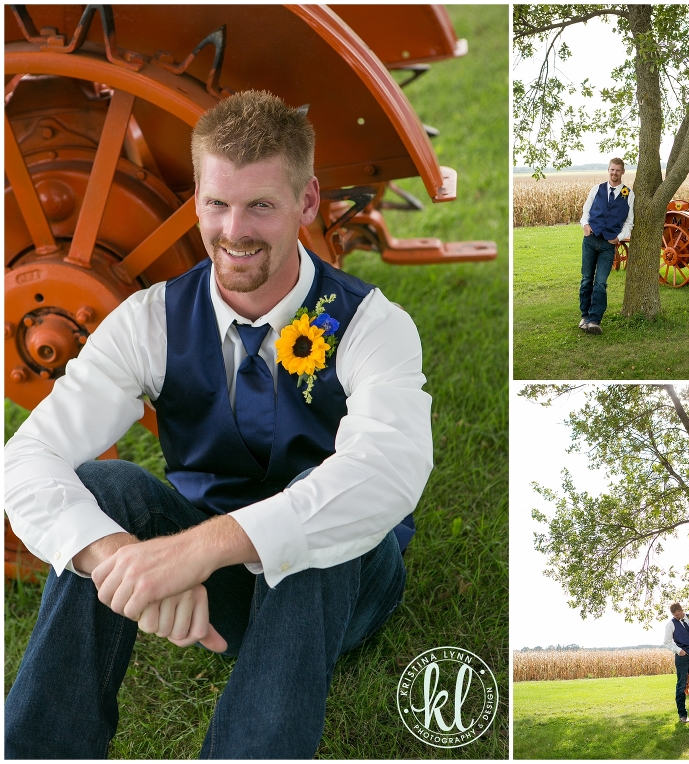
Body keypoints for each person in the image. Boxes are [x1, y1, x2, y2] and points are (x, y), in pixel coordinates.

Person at [4, 90, 433, 759]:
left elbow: (387, 473)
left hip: (345, 591)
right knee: (103, 483)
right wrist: (117, 559)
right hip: (216, 592)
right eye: (216, 203)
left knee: (326, 514)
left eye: (260, 204)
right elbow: (27, 457)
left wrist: (195, 551)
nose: (234, 230)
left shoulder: (372, 325)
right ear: (198, 198)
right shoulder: (151, 319)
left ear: (308, 202)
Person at [579, 158, 634, 335]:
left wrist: (619, 237)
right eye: (612, 170)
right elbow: (586, 212)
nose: (614, 173)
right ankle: (584, 316)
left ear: (623, 172)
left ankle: (594, 320)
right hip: (590, 239)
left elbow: (629, 222)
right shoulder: (597, 189)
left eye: (618, 170)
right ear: (608, 170)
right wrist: (585, 226)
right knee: (587, 279)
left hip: (608, 244)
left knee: (600, 283)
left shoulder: (628, 194)